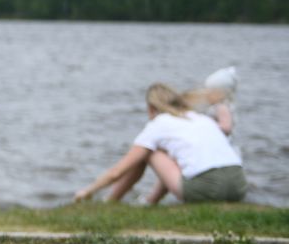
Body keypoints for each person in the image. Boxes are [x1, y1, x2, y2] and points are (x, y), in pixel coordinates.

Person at [74, 83, 247, 206]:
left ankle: (111, 202)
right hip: (239, 186)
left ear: (151, 107)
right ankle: (149, 202)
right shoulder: (201, 118)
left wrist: (88, 191)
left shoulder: (159, 123)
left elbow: (118, 171)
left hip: (205, 189)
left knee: (148, 152)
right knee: (173, 154)